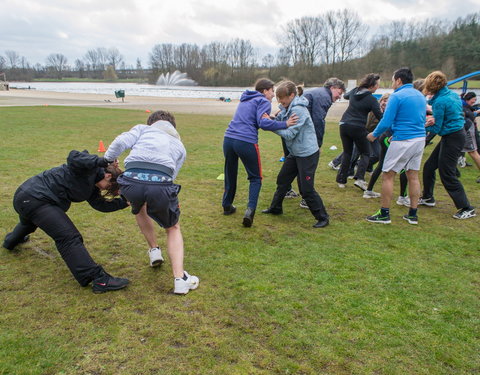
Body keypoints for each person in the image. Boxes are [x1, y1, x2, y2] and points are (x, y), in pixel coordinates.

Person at [2, 150, 130, 293]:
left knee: (28, 224)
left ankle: (10, 242)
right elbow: (73, 156)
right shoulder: (85, 168)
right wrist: (104, 160)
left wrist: (125, 203)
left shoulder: (93, 186)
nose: (109, 189)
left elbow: (100, 205)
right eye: (110, 186)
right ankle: (99, 280)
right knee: (68, 237)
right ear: (108, 175)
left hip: (27, 198)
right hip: (35, 198)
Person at [104, 110, 199, 294]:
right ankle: (180, 279)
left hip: (130, 183)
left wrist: (107, 159)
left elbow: (120, 142)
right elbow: (171, 176)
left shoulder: (142, 130)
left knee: (139, 208)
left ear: (151, 123)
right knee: (172, 228)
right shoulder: (179, 146)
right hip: (161, 185)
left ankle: (154, 250)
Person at [222, 78, 297, 227]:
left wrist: (271, 117)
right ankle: (249, 212)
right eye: (272, 91)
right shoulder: (263, 101)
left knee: (230, 172)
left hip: (229, 139)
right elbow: (262, 123)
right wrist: (285, 123)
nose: (273, 95)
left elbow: (254, 118)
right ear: (265, 91)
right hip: (246, 141)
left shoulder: (245, 99)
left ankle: (227, 205)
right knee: (255, 178)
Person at [262, 81, 329, 228]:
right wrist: (271, 120)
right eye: (278, 98)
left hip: (307, 154)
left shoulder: (299, 110)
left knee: (306, 189)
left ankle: (323, 217)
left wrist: (270, 127)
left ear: (292, 95)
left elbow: (290, 134)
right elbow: (280, 122)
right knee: (282, 180)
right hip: (295, 152)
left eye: (282, 98)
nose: (279, 101)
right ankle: (276, 208)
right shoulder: (286, 108)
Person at [366, 67, 426, 224]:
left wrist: (374, 134)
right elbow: (416, 118)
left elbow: (386, 120)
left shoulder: (397, 96)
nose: (392, 83)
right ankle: (413, 214)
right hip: (419, 139)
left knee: (388, 175)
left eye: (393, 80)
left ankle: (384, 213)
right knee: (413, 175)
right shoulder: (420, 95)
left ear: (399, 80)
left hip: (403, 140)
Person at [419, 71, 476, 219]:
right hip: (454, 134)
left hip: (453, 137)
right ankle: (428, 197)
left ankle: (466, 207)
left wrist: (422, 125)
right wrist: (433, 119)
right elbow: (442, 115)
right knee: (430, 166)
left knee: (447, 173)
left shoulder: (440, 101)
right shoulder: (451, 95)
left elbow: (437, 128)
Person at [299, 77, 346, 208]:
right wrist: (317, 144)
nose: (339, 97)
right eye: (339, 93)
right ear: (332, 88)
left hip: (296, 131)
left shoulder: (318, 93)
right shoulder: (323, 96)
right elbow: (318, 121)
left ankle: (282, 194)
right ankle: (306, 198)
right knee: (307, 167)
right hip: (302, 134)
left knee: (294, 165)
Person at [336, 73, 383, 191]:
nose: (378, 87)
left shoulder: (354, 91)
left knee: (347, 152)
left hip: (344, 124)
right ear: (372, 85)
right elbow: (380, 116)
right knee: (366, 153)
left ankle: (341, 180)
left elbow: (346, 96)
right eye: (377, 85)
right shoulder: (372, 99)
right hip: (358, 126)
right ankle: (360, 179)